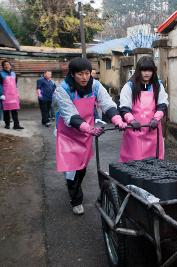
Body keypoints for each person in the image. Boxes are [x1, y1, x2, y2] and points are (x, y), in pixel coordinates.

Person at [54, 57, 127, 215]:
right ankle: (76, 200)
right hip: (69, 133)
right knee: (73, 168)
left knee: (82, 166)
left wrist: (117, 119)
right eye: (80, 74)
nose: (84, 77)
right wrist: (88, 128)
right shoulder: (63, 89)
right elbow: (69, 115)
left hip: (86, 133)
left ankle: (73, 183)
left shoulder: (95, 85)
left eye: (87, 73)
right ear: (72, 74)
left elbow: (106, 102)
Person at [119, 56, 169, 162]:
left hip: (153, 129)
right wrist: (131, 120)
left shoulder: (157, 85)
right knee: (134, 162)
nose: (147, 73)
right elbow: (124, 108)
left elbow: (163, 104)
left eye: (150, 70)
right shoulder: (129, 86)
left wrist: (156, 119)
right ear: (138, 71)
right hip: (135, 130)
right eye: (144, 70)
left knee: (154, 162)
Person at [0, 60, 24, 130]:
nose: (7, 66)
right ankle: (7, 124)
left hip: (13, 94)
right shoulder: (1, 74)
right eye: (5, 65)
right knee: (6, 110)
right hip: (5, 94)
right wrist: (1, 94)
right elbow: (0, 84)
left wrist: (17, 92)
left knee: (14, 110)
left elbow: (15, 84)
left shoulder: (14, 74)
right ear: (3, 66)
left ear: (10, 65)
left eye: (8, 64)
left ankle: (16, 125)